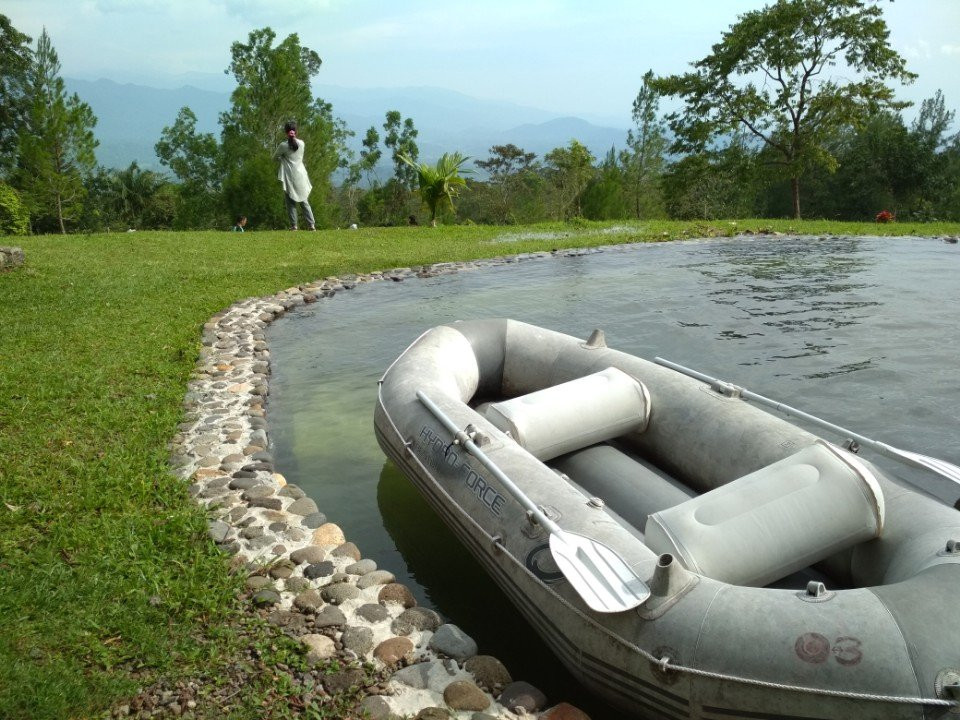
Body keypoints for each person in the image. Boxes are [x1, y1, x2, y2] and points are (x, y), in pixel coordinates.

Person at [273, 121, 316, 230]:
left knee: (290, 202)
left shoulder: (283, 145)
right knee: (304, 201)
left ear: (285, 132)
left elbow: (274, 157)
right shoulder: (302, 143)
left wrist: (282, 158)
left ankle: (294, 226)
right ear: (296, 131)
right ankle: (311, 225)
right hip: (301, 174)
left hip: (289, 176)